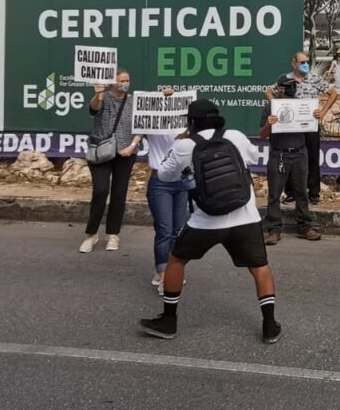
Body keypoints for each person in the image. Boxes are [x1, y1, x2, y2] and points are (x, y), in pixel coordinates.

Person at [139, 99, 281, 344]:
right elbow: (255, 158)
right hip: (245, 216)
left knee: (176, 260)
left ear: (191, 122)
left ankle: (168, 321)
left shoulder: (185, 145)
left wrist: (179, 146)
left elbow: (165, 175)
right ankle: (269, 325)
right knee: (260, 268)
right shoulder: (235, 136)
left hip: (206, 220)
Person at [80, 71, 140, 253]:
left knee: (119, 193)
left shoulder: (134, 101)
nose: (125, 83)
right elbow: (94, 108)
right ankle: (91, 234)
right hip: (101, 151)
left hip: (125, 153)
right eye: (121, 81)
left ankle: (113, 234)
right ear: (113, 82)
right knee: (100, 190)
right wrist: (98, 94)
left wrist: (133, 145)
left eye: (127, 80)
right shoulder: (103, 97)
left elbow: (142, 125)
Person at [267, 52, 338, 206]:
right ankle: (291, 192)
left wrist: (324, 111)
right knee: (291, 158)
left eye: (307, 61)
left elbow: (333, 93)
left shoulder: (314, 78)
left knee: (312, 157)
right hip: (292, 126)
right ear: (294, 64)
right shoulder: (285, 79)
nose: (305, 64)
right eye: (302, 62)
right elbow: (268, 91)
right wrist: (277, 107)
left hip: (310, 124)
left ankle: (313, 193)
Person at [261, 72, 323, 245]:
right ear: (280, 88)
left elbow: (312, 127)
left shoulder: (304, 105)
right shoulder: (271, 107)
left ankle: (305, 227)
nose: (291, 89)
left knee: (302, 192)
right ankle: (274, 230)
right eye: (287, 86)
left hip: (299, 153)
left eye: (293, 86)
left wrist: (318, 115)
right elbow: (262, 135)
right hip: (278, 154)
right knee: (274, 194)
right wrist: (269, 124)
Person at [145, 88, 191, 294]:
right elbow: (137, 124)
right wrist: (160, 97)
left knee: (178, 231)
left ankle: (173, 270)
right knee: (164, 229)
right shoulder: (152, 126)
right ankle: (163, 274)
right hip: (160, 182)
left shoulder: (186, 129)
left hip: (181, 182)